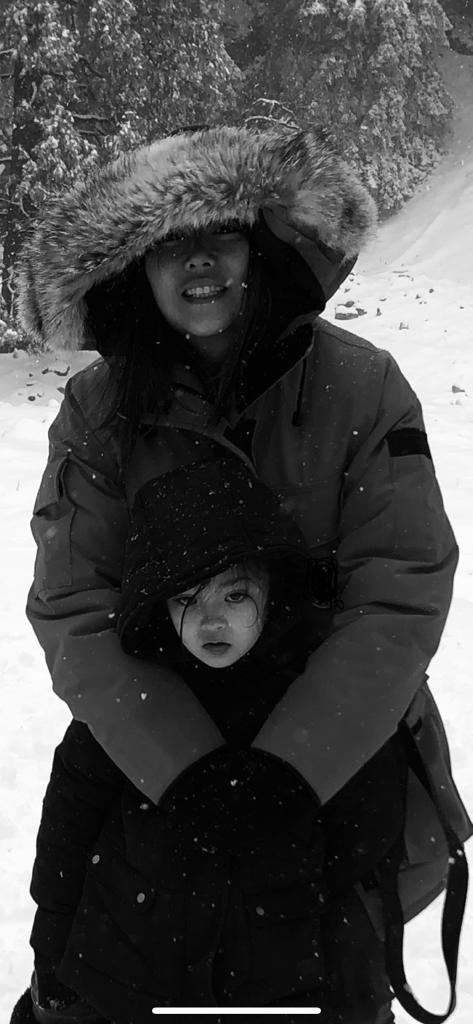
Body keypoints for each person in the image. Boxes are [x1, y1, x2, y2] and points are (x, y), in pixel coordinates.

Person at [14, 123, 471, 1020]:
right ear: (134, 269)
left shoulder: (362, 385)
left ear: (259, 247)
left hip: (336, 770)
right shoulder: (98, 411)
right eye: (169, 244)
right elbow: (73, 605)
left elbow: (399, 586)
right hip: (150, 775)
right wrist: (183, 769)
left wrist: (295, 768)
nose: (199, 263)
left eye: (220, 233)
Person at [13, 453, 405, 1022]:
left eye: (235, 595)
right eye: (186, 598)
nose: (211, 619)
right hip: (124, 981)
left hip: (279, 992)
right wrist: (51, 959)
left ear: (274, 590)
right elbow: (65, 843)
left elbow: (362, 867)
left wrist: (359, 993)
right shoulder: (127, 707)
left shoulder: (318, 710)